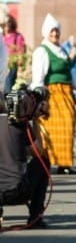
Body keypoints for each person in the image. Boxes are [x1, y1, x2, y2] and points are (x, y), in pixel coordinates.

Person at [0, 84, 50, 228]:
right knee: (43, 163)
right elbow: (38, 152)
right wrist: (35, 119)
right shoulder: (20, 126)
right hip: (17, 192)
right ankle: (35, 217)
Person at [30, 15, 75, 173]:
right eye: (52, 31)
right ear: (46, 32)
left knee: (68, 127)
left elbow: (69, 72)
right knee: (51, 128)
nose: (55, 34)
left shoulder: (61, 49)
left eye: (56, 31)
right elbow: (38, 77)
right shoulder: (42, 51)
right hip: (52, 93)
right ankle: (46, 161)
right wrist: (40, 98)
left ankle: (65, 163)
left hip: (66, 93)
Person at [4, 15, 26, 93]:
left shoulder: (17, 36)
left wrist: (20, 65)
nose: (7, 26)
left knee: (9, 85)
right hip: (2, 65)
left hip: (11, 65)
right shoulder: (1, 36)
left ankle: (9, 101)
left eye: (8, 23)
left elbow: (21, 51)